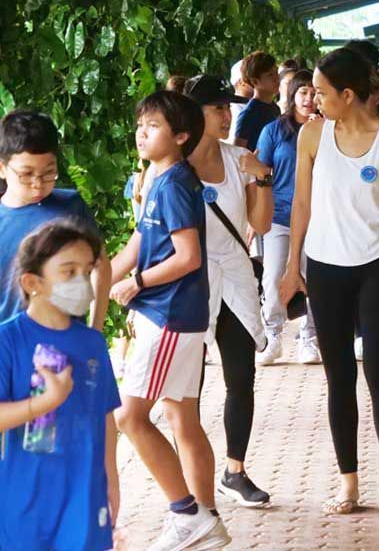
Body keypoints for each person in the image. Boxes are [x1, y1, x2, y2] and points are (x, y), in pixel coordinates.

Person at [278, 48, 379, 519]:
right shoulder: (312, 135)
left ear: (348, 95)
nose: (314, 101)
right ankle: (348, 482)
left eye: (323, 93)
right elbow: (301, 207)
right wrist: (293, 269)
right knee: (339, 379)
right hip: (326, 269)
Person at [110, 90, 230, 550]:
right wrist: (94, 282)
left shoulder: (177, 183)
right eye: (141, 124)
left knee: (129, 417)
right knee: (182, 417)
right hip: (172, 317)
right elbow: (135, 247)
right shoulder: (159, 178)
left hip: (168, 316)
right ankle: (205, 520)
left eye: (153, 126)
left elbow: (188, 258)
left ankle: (186, 512)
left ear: (180, 136)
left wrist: (136, 283)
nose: (142, 132)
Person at [184, 74, 276, 509]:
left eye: (227, 107)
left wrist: (262, 180)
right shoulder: (172, 166)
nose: (227, 115)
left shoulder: (241, 158)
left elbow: (259, 226)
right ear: (193, 114)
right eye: (217, 108)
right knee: (190, 386)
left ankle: (234, 471)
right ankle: (191, 476)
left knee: (241, 379)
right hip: (188, 282)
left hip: (236, 278)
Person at [0, 220, 119, 550]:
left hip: (83, 493)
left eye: (87, 270)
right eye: (69, 272)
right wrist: (44, 402)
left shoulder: (92, 344)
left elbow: (106, 415)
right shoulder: (7, 341)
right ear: (32, 282)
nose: (82, 282)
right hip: (20, 498)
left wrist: (110, 478)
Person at [0, 110, 111, 329]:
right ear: (2, 168)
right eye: (26, 174)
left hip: (67, 343)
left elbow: (101, 266)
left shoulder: (71, 207)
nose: (38, 183)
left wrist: (95, 329)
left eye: (48, 172)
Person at [253, 70, 321, 365]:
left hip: (319, 218)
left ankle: (310, 337)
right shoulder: (274, 131)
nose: (308, 98)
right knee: (272, 277)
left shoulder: (329, 128)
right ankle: (273, 334)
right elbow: (261, 171)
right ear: (292, 95)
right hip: (279, 216)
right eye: (303, 92)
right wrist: (251, 219)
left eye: (313, 92)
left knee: (315, 279)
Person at [234, 51, 280, 151]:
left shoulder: (275, 108)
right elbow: (238, 152)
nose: (277, 78)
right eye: (270, 75)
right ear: (255, 81)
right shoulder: (249, 114)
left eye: (276, 72)